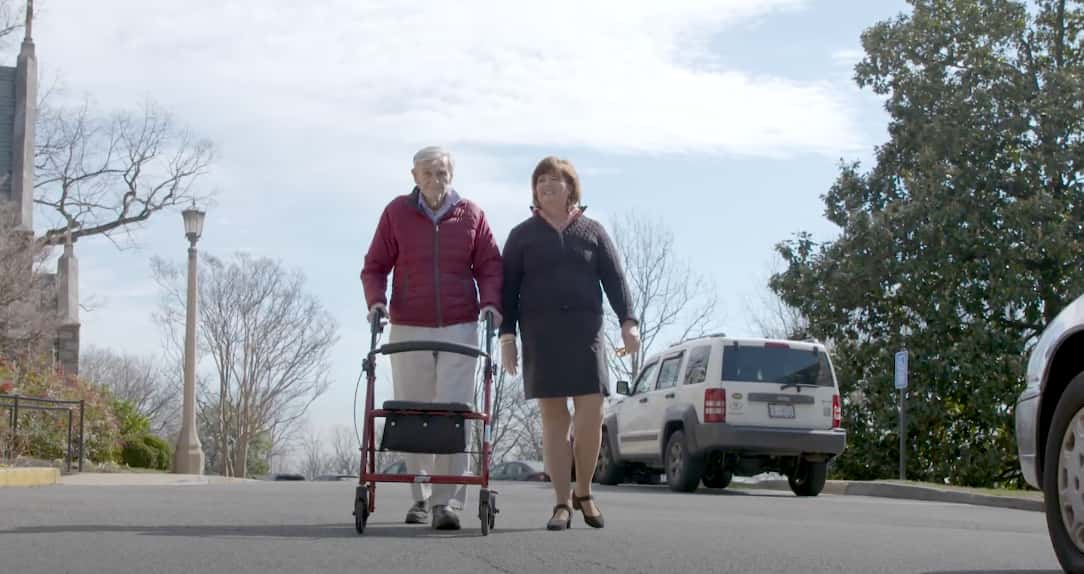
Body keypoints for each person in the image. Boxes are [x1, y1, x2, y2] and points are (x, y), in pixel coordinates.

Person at [360, 146, 503, 530]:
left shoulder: (471, 214)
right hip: (409, 323)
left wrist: (490, 303)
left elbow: (490, 265)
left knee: (455, 412)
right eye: (428, 173)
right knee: (413, 410)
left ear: (451, 176)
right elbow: (374, 266)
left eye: (442, 172)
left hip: (460, 324)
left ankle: (447, 503)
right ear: (414, 176)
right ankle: (420, 495)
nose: (436, 179)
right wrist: (376, 302)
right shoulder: (396, 213)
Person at [499, 156, 640, 531]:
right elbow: (507, 291)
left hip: (586, 334)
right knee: (554, 420)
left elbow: (616, 280)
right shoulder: (521, 235)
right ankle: (561, 502)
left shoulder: (592, 231)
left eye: (554, 181)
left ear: (570, 188)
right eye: (540, 181)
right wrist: (507, 337)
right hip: (541, 335)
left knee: (591, 414)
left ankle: (585, 492)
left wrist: (629, 323)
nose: (546, 186)